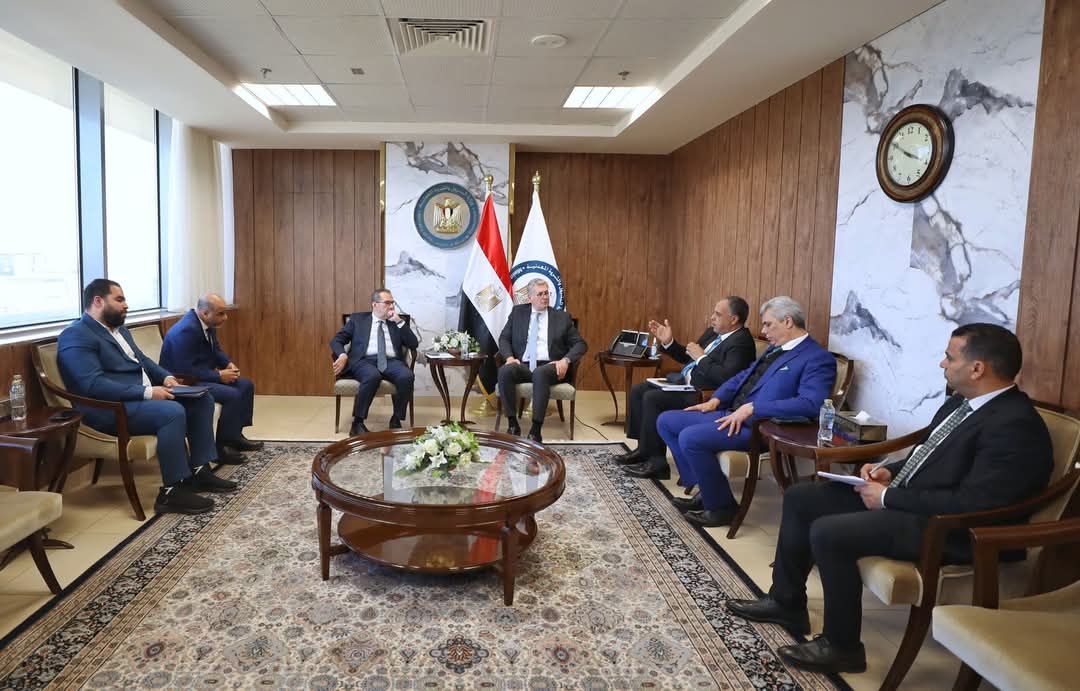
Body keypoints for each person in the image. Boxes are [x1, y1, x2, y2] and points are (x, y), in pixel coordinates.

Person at [726, 323, 1053, 675]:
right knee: (802, 497)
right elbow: (929, 455)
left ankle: (842, 647)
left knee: (829, 533)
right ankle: (786, 602)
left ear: (977, 368)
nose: (942, 364)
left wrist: (888, 498)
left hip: (953, 530)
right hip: (917, 502)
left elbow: (976, 504)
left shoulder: (1015, 425)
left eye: (949, 357)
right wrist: (888, 472)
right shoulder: (961, 404)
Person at [645, 296, 836, 528]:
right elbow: (742, 377)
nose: (763, 331)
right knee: (666, 421)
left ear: (788, 321)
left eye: (768, 324)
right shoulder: (775, 349)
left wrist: (755, 408)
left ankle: (721, 508)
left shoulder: (817, 358)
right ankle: (708, 491)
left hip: (760, 426)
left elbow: (810, 404)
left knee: (690, 438)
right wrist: (715, 400)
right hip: (731, 412)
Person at [57, 279, 237, 515]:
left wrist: (166, 377)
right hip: (108, 409)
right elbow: (92, 385)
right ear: (98, 301)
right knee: (171, 412)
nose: (126, 305)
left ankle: (199, 471)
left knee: (202, 399)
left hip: (136, 400)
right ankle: (171, 492)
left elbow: (143, 360)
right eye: (119, 299)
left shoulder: (120, 330)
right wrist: (148, 392)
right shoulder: (76, 335)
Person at [617, 296, 757, 477]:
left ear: (733, 319)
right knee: (639, 390)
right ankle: (643, 449)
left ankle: (657, 463)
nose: (712, 317)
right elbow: (688, 357)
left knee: (653, 398)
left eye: (717, 314)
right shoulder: (712, 333)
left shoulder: (741, 342)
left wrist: (702, 358)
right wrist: (669, 342)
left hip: (703, 395)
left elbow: (727, 378)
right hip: (684, 385)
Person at [159, 293, 262, 459]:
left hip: (200, 376)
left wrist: (228, 364)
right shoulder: (186, 331)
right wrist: (219, 375)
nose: (225, 317)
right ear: (205, 313)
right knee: (232, 395)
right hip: (183, 382)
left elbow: (216, 350)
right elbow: (185, 370)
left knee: (246, 385)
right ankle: (223, 446)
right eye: (221, 313)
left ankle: (235, 436)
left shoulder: (207, 324)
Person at [497, 278, 587, 443]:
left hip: (551, 366)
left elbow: (581, 344)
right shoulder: (518, 313)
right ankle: (512, 424)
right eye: (540, 294)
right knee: (505, 371)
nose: (545, 297)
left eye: (546, 293)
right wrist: (509, 358)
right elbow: (504, 338)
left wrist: (565, 360)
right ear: (530, 297)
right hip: (523, 365)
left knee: (540, 373)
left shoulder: (561, 317)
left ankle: (535, 430)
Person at [330, 288, 418, 435]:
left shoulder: (396, 322)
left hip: (391, 361)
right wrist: (342, 355)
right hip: (363, 361)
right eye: (387, 303)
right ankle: (357, 424)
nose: (391, 306)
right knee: (372, 376)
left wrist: (399, 321)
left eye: (393, 303)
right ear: (374, 304)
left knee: (407, 376)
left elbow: (413, 344)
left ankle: (396, 418)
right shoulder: (358, 320)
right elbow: (337, 340)